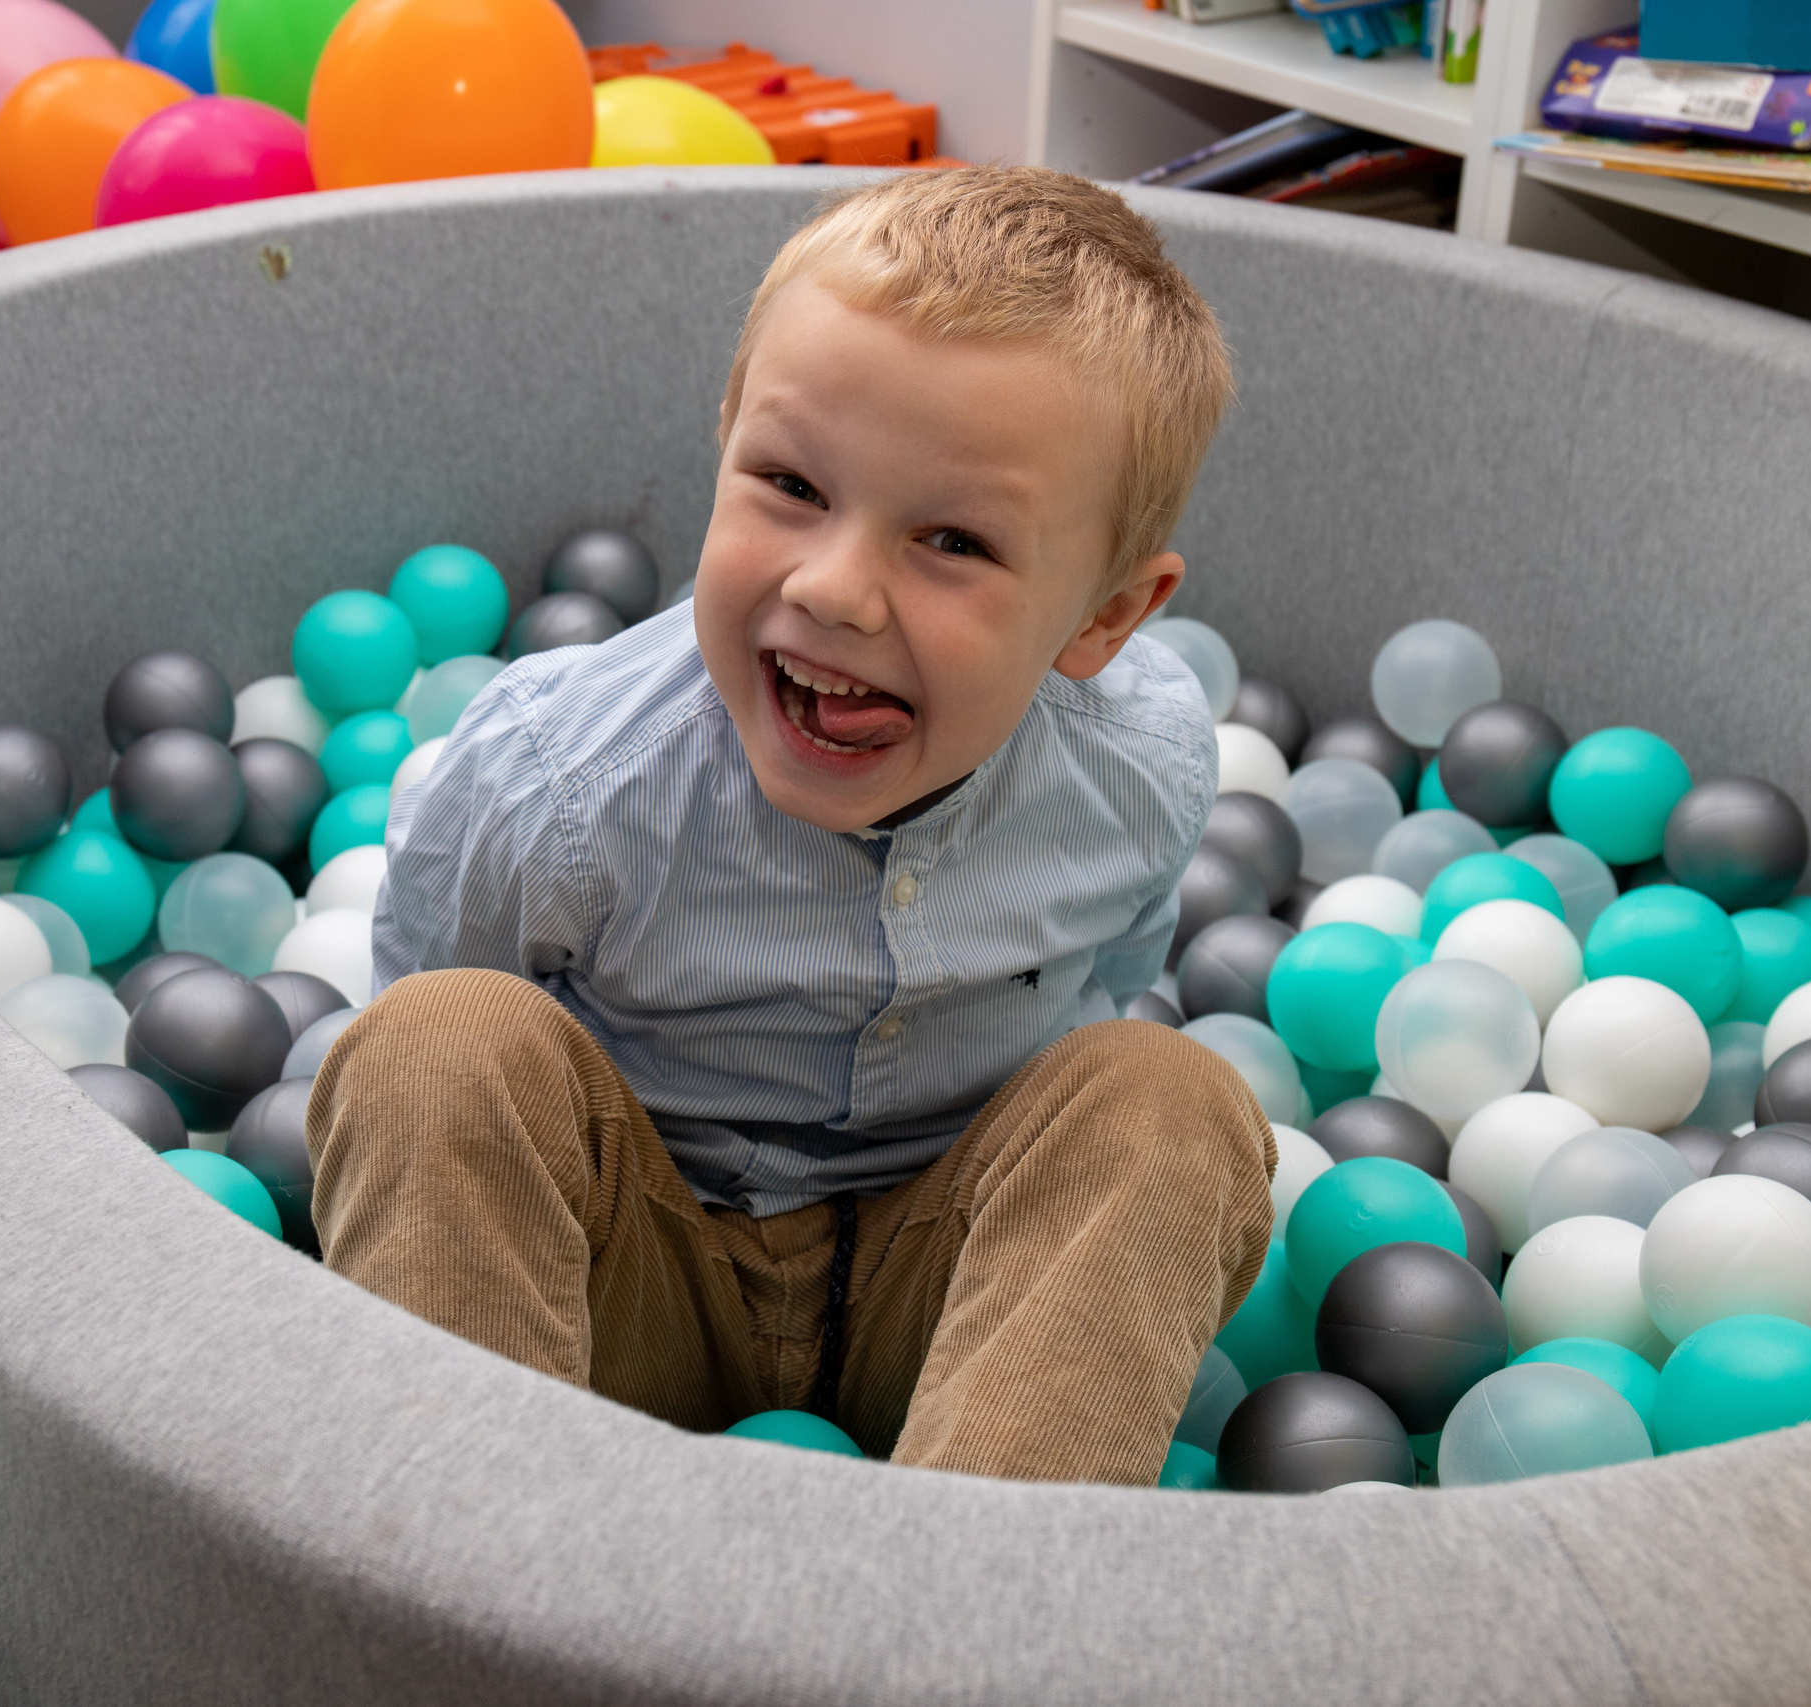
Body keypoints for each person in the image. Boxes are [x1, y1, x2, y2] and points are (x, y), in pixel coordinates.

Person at [305, 165, 1274, 1486]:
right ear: (723, 447)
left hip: (949, 1313)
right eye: (792, 485)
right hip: (624, 1287)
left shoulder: (1140, 768)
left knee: (1169, 1100)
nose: (835, 590)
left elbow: (1108, 982)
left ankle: (970, 1586)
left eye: (952, 542)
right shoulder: (561, 776)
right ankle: (484, 1566)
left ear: (1104, 618)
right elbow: (426, 1051)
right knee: (437, 1044)